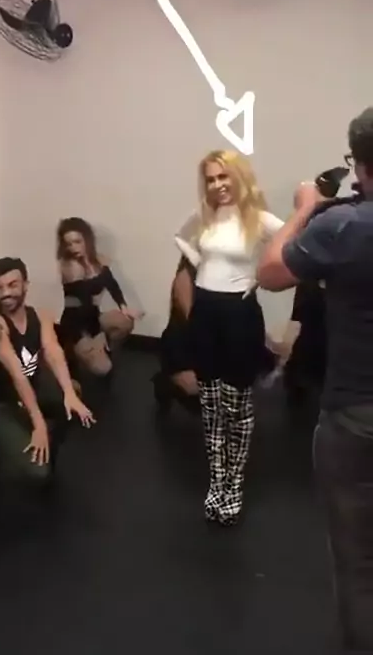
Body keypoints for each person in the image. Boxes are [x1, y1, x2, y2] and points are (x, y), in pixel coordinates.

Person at [256, 107, 373, 655]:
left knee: (357, 565)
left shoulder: (343, 226)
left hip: (354, 417)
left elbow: (270, 272)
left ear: (362, 166)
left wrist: (304, 208)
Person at [175, 149, 284, 525]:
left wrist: (261, 276)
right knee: (210, 405)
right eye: (211, 179)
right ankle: (217, 482)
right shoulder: (205, 214)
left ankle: (233, 485)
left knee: (236, 405)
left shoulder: (259, 218)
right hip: (205, 312)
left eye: (223, 176)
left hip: (239, 315)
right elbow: (180, 237)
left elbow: (294, 244)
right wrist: (202, 263)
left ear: (238, 176)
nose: (218, 185)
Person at [0, 257, 94, 488]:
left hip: (28, 393)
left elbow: (53, 352)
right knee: (39, 472)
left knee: (73, 395)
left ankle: (40, 439)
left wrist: (68, 393)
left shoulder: (40, 317)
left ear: (26, 285)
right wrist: (39, 424)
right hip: (0, 404)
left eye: (12, 285)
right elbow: (17, 374)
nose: (5, 293)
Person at [56, 217, 138, 378]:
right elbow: (84, 302)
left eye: (77, 241)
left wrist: (124, 307)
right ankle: (72, 353)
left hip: (92, 316)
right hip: (76, 325)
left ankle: (104, 350)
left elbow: (111, 284)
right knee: (103, 369)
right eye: (69, 244)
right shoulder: (70, 267)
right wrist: (97, 334)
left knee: (126, 321)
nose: (73, 248)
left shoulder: (98, 260)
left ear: (87, 240)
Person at [152, 255, 200, 414]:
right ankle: (166, 381)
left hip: (206, 341)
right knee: (197, 393)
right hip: (184, 342)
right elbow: (193, 321)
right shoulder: (185, 276)